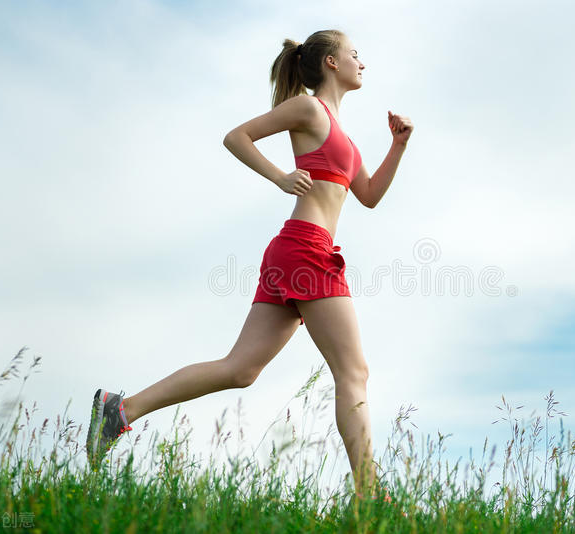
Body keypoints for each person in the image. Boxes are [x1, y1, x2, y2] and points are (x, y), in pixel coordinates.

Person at [86, 29, 414, 501]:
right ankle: (371, 498)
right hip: (306, 248)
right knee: (354, 372)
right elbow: (236, 136)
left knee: (240, 369)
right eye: (355, 55)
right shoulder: (308, 109)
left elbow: (369, 196)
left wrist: (398, 146)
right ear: (330, 64)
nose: (363, 63)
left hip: (299, 251)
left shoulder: (347, 138)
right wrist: (280, 176)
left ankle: (121, 410)